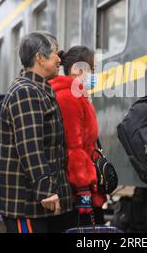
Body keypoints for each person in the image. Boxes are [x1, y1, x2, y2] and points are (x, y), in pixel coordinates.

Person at [0, 31, 74, 233]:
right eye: (55, 53)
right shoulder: (26, 92)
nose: (59, 59)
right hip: (27, 203)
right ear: (40, 57)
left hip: (37, 202)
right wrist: (47, 191)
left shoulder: (38, 89)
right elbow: (30, 149)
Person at [48, 46, 106, 226]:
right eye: (92, 69)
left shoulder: (76, 94)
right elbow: (73, 147)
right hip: (78, 189)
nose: (94, 75)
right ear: (77, 70)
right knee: (83, 230)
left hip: (81, 184)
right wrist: (83, 191)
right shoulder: (69, 97)